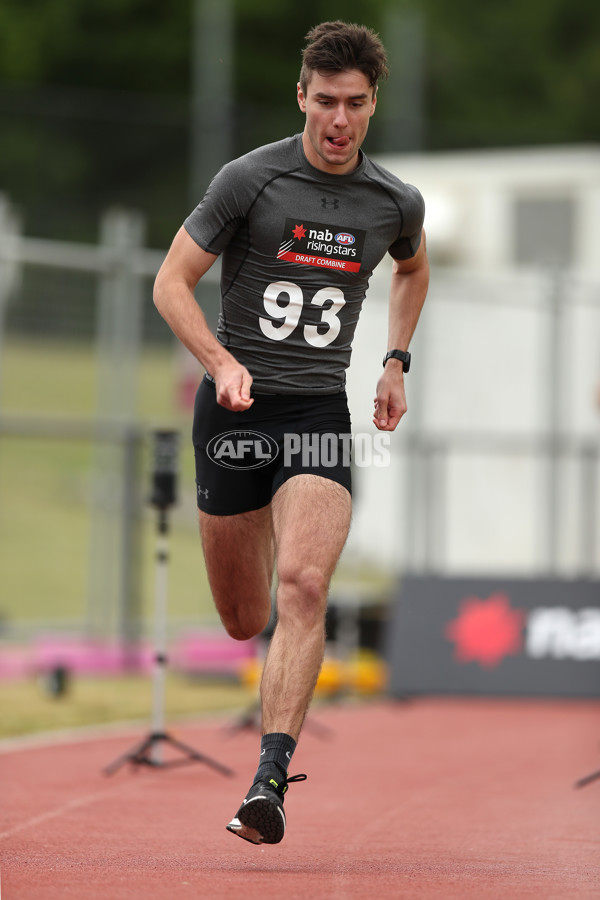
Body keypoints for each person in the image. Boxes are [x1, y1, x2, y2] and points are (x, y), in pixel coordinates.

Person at [153, 20, 429, 845]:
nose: (338, 121)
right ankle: (258, 538)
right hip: (236, 412)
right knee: (243, 617)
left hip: (315, 416)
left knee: (304, 585)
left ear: (373, 104)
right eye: (324, 103)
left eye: (355, 105)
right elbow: (171, 282)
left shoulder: (394, 203)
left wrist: (394, 361)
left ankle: (269, 779)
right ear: (301, 98)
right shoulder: (250, 179)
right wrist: (219, 359)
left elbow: (413, 268)